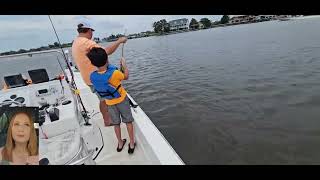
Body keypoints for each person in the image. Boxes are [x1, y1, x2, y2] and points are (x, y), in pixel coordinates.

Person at [72, 19, 127, 126]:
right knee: (104, 100)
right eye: (91, 31)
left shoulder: (76, 42)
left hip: (89, 78)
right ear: (88, 30)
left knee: (103, 98)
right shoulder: (86, 42)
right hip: (97, 79)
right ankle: (107, 120)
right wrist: (119, 41)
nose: (92, 34)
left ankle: (108, 118)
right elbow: (105, 52)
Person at [87, 47, 136, 154]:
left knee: (116, 124)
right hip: (122, 100)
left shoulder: (92, 76)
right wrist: (124, 65)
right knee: (128, 121)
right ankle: (132, 143)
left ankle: (120, 143)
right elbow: (126, 76)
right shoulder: (115, 73)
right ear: (107, 59)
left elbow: (103, 74)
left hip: (109, 103)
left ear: (93, 63)